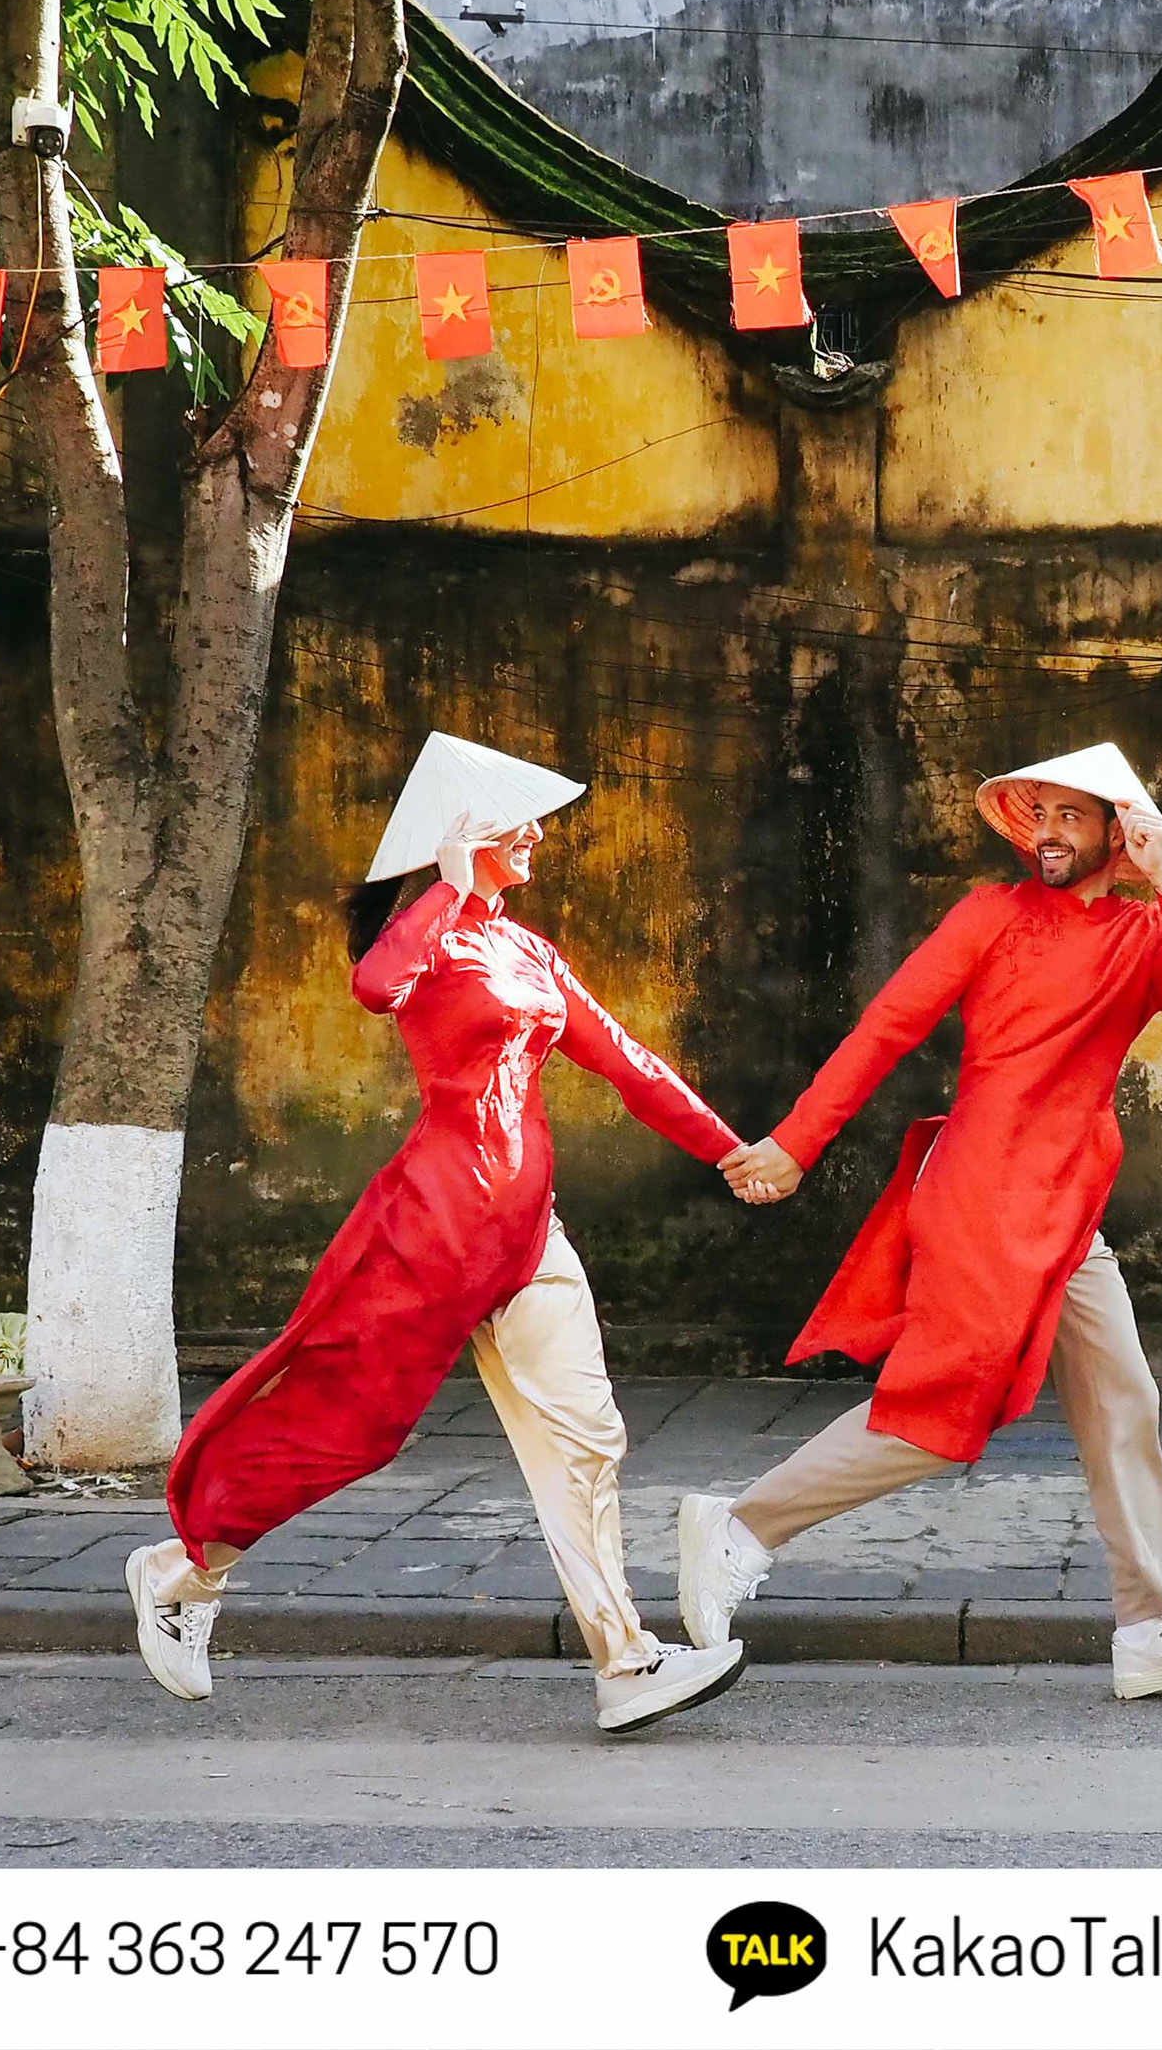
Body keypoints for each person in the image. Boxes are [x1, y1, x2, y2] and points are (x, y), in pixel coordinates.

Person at [125, 732, 750, 1734]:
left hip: (524, 1232)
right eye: (521, 819)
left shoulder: (526, 948)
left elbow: (624, 1058)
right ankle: (183, 1571)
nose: (541, 836)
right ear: (463, 834)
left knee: (587, 1436)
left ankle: (625, 1662)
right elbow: (375, 986)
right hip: (435, 1227)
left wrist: (729, 1149)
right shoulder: (435, 937)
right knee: (352, 1422)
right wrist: (448, 890)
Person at [679, 741, 1162, 1700]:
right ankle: (743, 1526)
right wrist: (794, 1141)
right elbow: (887, 1029)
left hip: (1069, 1204)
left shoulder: (1146, 935)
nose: (1049, 835)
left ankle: (1151, 1622)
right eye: (1042, 816)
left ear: (1121, 833)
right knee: (943, 1409)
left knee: (1124, 1396)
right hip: (984, 1194)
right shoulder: (991, 914)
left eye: (1073, 817)